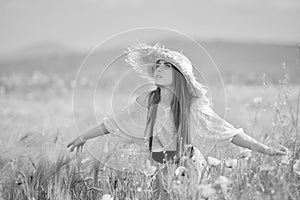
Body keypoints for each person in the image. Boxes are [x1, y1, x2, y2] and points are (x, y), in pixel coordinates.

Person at [67, 42, 287, 199]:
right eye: (158, 65)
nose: (159, 68)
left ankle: (214, 170)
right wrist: (83, 137)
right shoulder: (147, 100)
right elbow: (115, 123)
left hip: (188, 165)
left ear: (179, 76)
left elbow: (230, 133)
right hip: (156, 168)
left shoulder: (192, 105)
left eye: (167, 66)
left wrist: (266, 150)